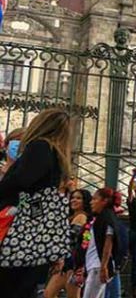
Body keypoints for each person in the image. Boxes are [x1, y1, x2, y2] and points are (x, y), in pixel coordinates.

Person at [0, 109, 74, 298]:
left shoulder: (40, 147)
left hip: (16, 229)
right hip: (32, 233)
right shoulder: (57, 156)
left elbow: (22, 182)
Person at [45, 188, 92, 298]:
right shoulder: (73, 217)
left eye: (78, 198)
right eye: (72, 198)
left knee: (71, 295)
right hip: (68, 262)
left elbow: (71, 241)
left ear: (85, 201)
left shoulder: (81, 217)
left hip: (72, 263)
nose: (74, 200)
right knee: (49, 293)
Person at [82, 189, 120, 298]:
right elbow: (87, 240)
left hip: (97, 266)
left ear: (104, 201)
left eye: (95, 199)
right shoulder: (95, 219)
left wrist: (103, 266)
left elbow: (108, 243)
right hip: (93, 265)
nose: (91, 202)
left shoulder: (107, 218)